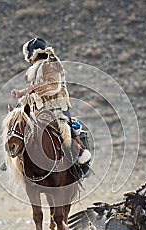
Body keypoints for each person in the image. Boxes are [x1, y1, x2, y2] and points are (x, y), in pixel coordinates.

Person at [11, 37, 91, 177]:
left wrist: (31, 90)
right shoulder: (35, 70)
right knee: (20, 128)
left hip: (57, 107)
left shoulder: (51, 65)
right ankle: (18, 157)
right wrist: (22, 96)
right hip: (40, 110)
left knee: (65, 131)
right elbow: (33, 91)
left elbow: (54, 86)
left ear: (31, 54)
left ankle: (80, 159)